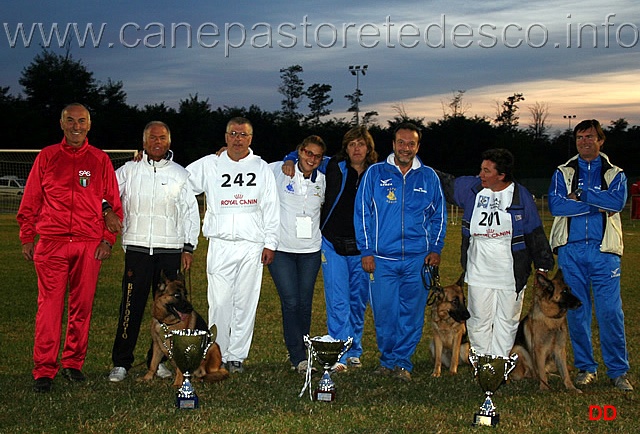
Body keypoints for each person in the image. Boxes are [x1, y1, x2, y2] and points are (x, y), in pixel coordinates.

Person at [17, 103, 123, 393]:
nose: (76, 126)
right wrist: (28, 236)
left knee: (82, 307)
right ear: (61, 124)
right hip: (51, 243)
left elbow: (112, 204)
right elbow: (31, 200)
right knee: (49, 308)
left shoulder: (100, 160)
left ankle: (73, 363)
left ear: (89, 125)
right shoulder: (47, 157)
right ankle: (44, 369)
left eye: (82, 121)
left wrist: (106, 239)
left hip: (88, 245)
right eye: (70, 121)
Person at [106, 121, 201, 382]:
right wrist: (107, 211)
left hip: (170, 249)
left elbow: (190, 213)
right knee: (130, 306)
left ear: (169, 142)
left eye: (162, 138)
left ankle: (156, 361)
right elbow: (107, 191)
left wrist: (188, 247)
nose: (157, 142)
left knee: (169, 311)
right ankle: (121, 362)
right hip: (137, 248)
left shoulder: (180, 174)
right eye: (152, 138)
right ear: (144, 142)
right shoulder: (129, 169)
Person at [437, 148, 554, 358]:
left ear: (501, 175)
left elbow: (534, 231)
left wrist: (542, 266)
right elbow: (444, 182)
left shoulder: (520, 196)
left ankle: (499, 364)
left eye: (486, 171)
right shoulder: (472, 189)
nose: (480, 174)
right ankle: (483, 364)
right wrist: (416, 165)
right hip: (478, 269)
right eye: (481, 169)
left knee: (507, 320)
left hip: (510, 272)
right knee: (478, 319)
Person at [186, 117, 280, 374]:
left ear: (250, 139)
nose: (238, 139)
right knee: (219, 302)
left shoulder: (261, 168)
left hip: (252, 244)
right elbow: (181, 181)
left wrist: (270, 243)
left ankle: (237, 355)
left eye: (243, 134)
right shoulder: (210, 164)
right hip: (220, 243)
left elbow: (271, 206)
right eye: (233, 133)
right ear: (226, 137)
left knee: (246, 302)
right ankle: (217, 353)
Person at [354, 122, 446, 381]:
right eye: (401, 143)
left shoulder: (428, 176)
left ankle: (403, 362)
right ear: (393, 145)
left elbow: (439, 215)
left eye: (411, 144)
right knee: (385, 313)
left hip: (417, 259)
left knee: (411, 313)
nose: (406, 148)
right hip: (382, 258)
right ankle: (387, 359)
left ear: (417, 146)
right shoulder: (375, 174)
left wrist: (435, 248)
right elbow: (363, 214)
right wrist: (367, 250)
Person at [282, 126, 378, 372]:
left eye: (361, 144)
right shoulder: (334, 165)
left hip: (362, 247)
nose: (357, 149)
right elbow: (305, 157)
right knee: (337, 300)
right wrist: (289, 159)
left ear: (368, 149)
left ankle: (354, 349)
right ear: (346, 148)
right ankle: (339, 353)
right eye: (352, 144)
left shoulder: (377, 174)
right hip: (332, 243)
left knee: (358, 301)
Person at [548, 119, 632, 392]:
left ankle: (618, 371)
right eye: (580, 137)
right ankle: (586, 368)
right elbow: (557, 206)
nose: (585, 142)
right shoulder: (563, 172)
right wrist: (597, 205)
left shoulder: (615, 173)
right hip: (571, 251)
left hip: (604, 251)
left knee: (610, 313)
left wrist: (582, 194)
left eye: (590, 137)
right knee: (577, 312)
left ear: (601, 140)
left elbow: (617, 203)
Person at [268, 135, 326, 373]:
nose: (311, 159)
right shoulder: (278, 171)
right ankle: (297, 356)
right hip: (282, 250)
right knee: (290, 301)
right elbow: (250, 164)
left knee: (304, 304)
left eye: (317, 155)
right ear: (299, 151)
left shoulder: (323, 179)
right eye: (307, 153)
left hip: (310, 251)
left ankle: (304, 348)